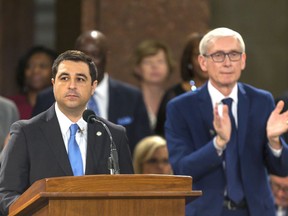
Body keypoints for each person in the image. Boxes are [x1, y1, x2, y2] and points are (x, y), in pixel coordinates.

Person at [165, 27, 288, 216]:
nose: (227, 63)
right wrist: (219, 143)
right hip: (206, 211)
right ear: (203, 62)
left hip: (255, 211)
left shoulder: (262, 101)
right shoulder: (180, 108)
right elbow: (183, 170)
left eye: (234, 54)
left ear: (243, 61)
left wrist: (274, 142)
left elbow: (281, 168)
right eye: (218, 56)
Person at [0, 50, 134, 215]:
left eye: (80, 79)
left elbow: (130, 194)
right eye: (64, 78)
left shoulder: (113, 135)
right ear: (53, 84)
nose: (72, 85)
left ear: (93, 87)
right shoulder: (26, 133)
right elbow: (7, 194)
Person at [32, 30, 151, 154]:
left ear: (107, 57)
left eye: (95, 55)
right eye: (82, 56)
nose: (88, 62)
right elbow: (37, 145)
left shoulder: (131, 97)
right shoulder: (48, 98)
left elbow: (144, 150)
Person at [155, 32, 208, 136]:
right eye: (198, 55)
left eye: (211, 55)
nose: (204, 61)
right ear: (189, 60)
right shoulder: (173, 96)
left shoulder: (231, 94)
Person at [133, 40, 175, 131]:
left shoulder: (174, 100)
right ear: (138, 68)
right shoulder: (130, 101)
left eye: (160, 61)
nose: (154, 66)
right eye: (147, 62)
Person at [8, 46, 57, 119]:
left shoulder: (61, 105)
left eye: (42, 66)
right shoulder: (11, 105)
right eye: (29, 66)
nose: (35, 71)